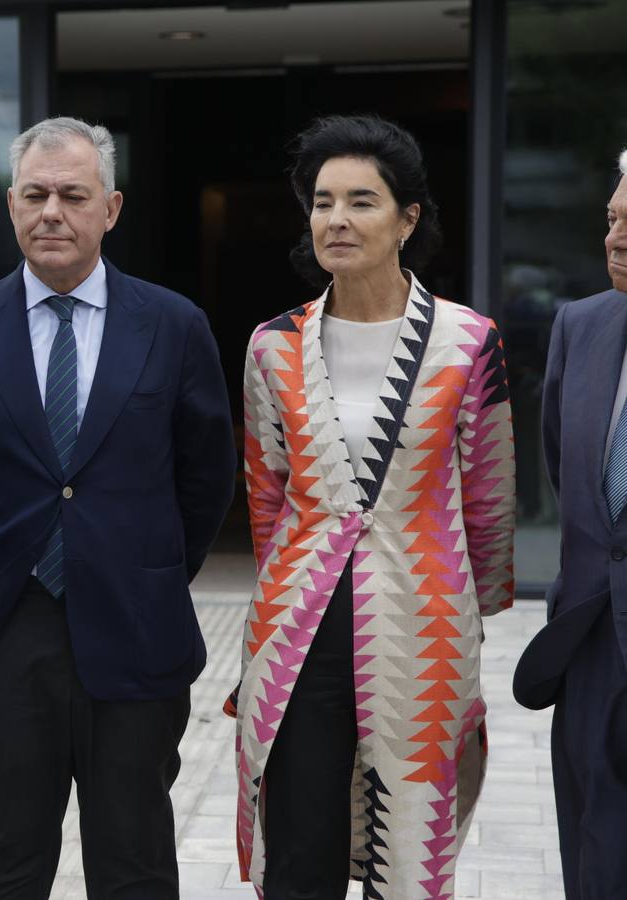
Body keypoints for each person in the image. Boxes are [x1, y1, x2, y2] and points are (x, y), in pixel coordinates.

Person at [0, 116, 237, 898]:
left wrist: (146, 564)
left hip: (135, 628)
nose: (51, 212)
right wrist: (11, 554)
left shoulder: (172, 325)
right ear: (11, 205)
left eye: (72, 194)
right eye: (35, 194)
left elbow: (206, 476)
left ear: (111, 208)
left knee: (134, 864)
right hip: (4, 630)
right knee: (5, 859)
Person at [232, 115, 515, 899]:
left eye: (361, 201)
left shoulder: (468, 342)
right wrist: (288, 586)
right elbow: (267, 495)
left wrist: (473, 611)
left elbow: (488, 501)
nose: (337, 220)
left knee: (407, 856)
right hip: (298, 629)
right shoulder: (272, 346)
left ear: (407, 219)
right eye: (322, 202)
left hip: (424, 629)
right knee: (298, 854)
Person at [515, 148, 627, 899]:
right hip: (593, 649)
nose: (616, 239)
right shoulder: (581, 326)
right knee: (594, 854)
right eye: (614, 220)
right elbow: (566, 468)